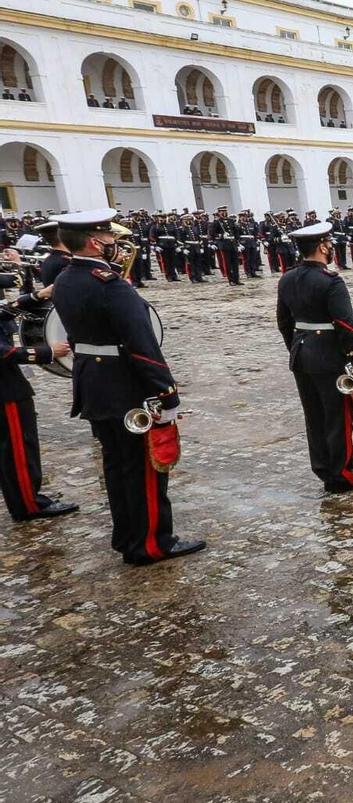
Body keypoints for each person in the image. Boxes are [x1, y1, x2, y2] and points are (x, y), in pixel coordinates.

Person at [49, 209, 204, 565]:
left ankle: (127, 537)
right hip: (125, 386)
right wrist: (167, 393)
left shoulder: (66, 278)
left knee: (116, 467)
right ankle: (151, 543)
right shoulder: (110, 285)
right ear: (93, 242)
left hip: (92, 382)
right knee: (144, 469)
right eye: (107, 238)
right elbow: (143, 345)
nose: (113, 243)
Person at [276, 221, 353, 494]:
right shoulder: (330, 281)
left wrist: (297, 348)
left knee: (314, 416)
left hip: (301, 354)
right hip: (330, 357)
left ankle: (322, 468)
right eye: (330, 244)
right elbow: (345, 325)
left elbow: (284, 322)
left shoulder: (286, 278)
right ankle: (341, 474)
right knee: (337, 417)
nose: (332, 248)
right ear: (322, 247)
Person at [0, 261, 76, 520]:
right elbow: (5, 352)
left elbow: (4, 311)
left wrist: (36, 296)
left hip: (8, 386)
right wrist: (47, 352)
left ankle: (25, 499)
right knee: (18, 450)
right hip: (5, 390)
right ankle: (28, 505)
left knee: (17, 448)